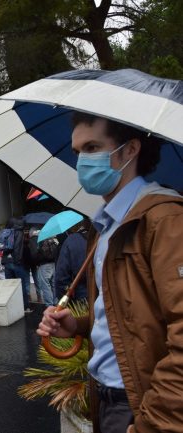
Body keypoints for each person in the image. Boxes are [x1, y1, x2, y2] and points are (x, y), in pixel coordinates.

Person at [37, 112, 183, 433]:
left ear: (130, 150)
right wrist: (78, 324)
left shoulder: (163, 221)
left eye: (91, 148)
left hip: (138, 405)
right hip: (106, 397)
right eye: (77, 153)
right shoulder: (105, 226)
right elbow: (130, 316)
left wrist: (153, 424)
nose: (81, 163)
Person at [1, 217, 32, 313]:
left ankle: (11, 307)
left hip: (7, 262)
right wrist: (18, 261)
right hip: (17, 263)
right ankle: (25, 307)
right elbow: (18, 248)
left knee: (10, 286)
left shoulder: (6, 232)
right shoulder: (19, 233)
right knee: (21, 286)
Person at [54, 220, 90, 301]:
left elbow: (61, 278)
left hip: (81, 299)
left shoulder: (72, 241)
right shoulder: (107, 237)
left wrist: (66, 301)